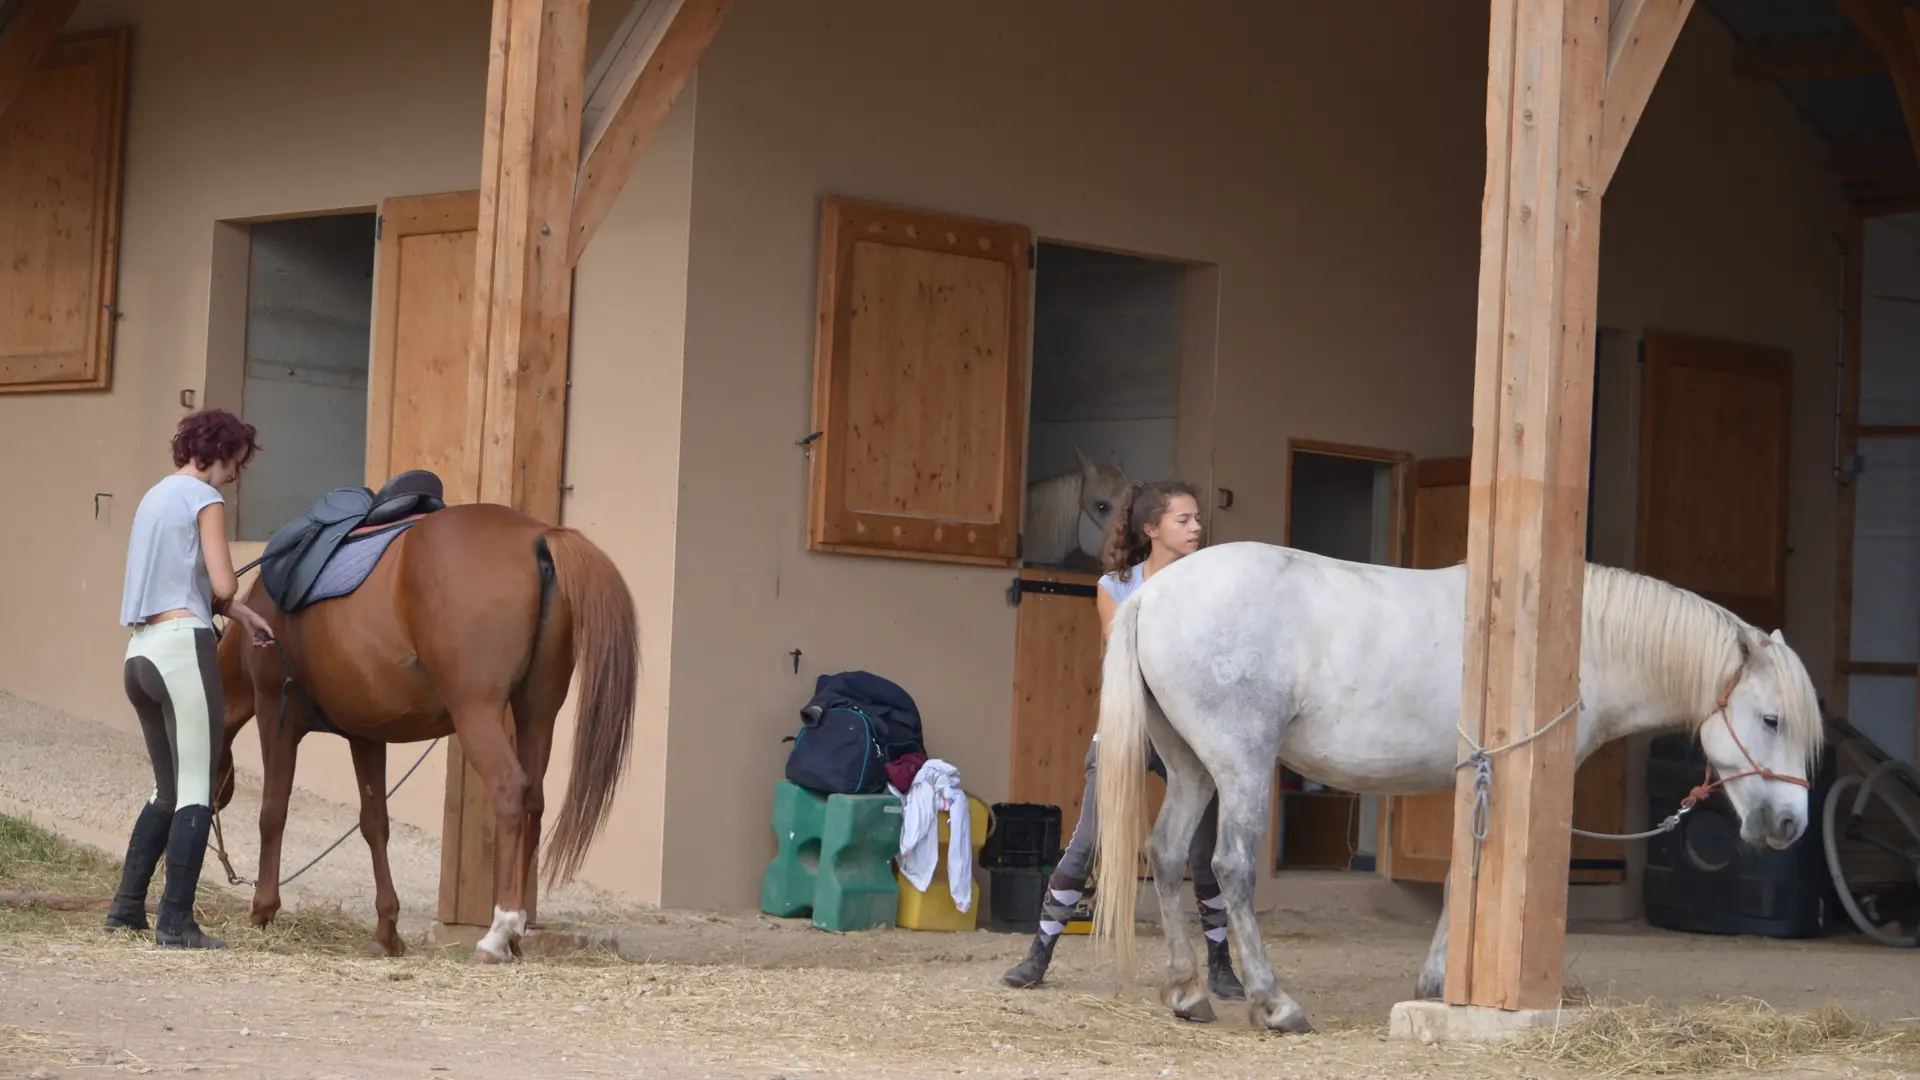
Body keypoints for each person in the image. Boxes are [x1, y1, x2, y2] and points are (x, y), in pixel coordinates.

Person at [1002, 479, 1244, 1000]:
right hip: (1131, 724)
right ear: (1152, 529)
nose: (1197, 527)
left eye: (1198, 519)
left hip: (1190, 732)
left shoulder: (1212, 584)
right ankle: (1038, 952)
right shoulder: (1115, 585)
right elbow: (1121, 650)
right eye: (1184, 520)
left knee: (1205, 852)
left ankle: (1221, 963)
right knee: (1087, 841)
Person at [104, 409, 276, 949]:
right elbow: (223, 580)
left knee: (166, 789)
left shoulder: (154, 497)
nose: (234, 475)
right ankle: (175, 924)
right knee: (197, 789)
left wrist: (243, 618)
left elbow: (190, 583)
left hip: (140, 654)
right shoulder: (206, 500)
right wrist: (236, 603)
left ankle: (125, 910)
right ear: (220, 453)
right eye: (236, 464)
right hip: (183, 650)